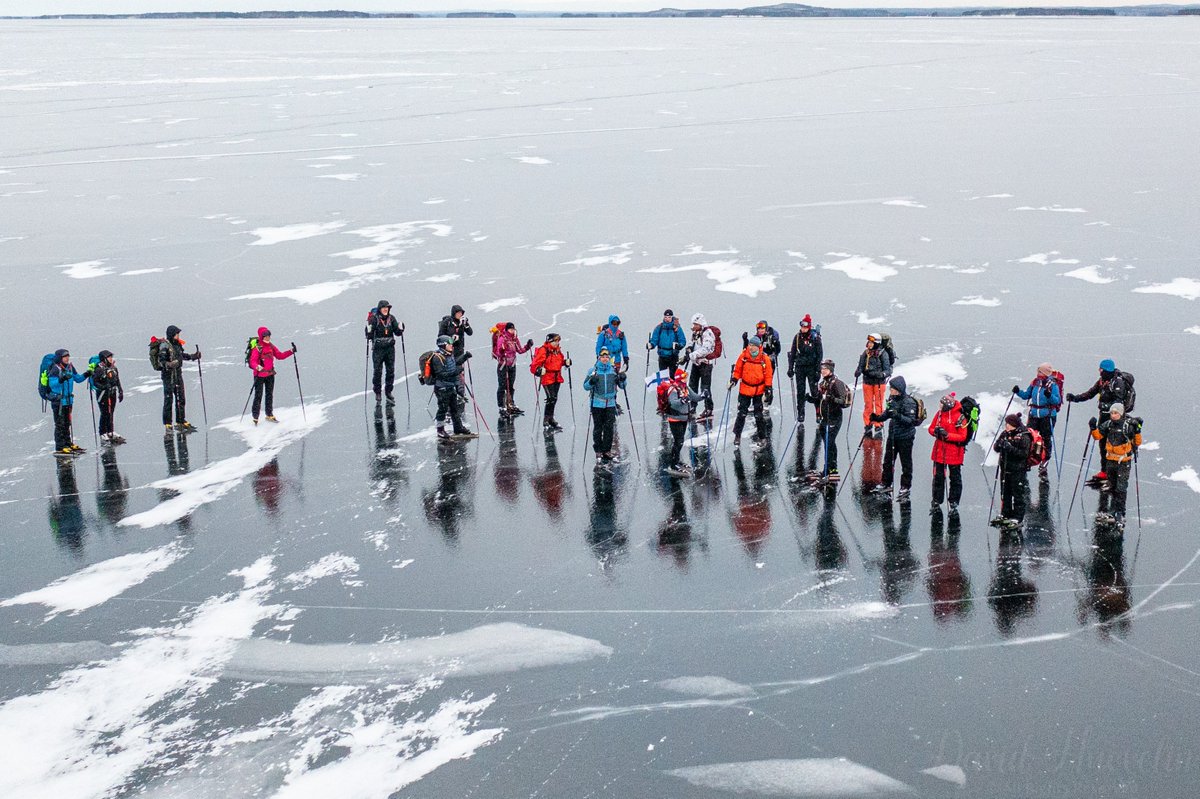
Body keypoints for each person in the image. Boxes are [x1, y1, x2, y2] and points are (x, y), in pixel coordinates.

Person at [1066, 358, 1135, 482]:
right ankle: (1105, 471)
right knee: (1102, 443)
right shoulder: (1102, 381)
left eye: (1101, 369)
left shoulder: (1117, 383)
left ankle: (1115, 472)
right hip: (1103, 416)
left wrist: (1107, 408)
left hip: (1115, 418)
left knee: (1114, 443)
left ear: (1106, 370)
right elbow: (1090, 393)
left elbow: (1118, 402)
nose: (1099, 371)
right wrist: (1075, 398)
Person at [1090, 403, 1142, 529]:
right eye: (1112, 413)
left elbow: (1137, 442)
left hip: (1123, 462)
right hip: (1110, 461)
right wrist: (1093, 428)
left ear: (1121, 413)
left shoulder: (1127, 426)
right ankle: (1113, 511)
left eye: (1116, 413)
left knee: (1121, 488)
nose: (1113, 415)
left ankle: (1120, 513)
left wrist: (1138, 430)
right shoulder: (1108, 425)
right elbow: (1098, 436)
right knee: (1112, 486)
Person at [870, 375, 919, 501]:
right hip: (893, 435)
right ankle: (886, 482)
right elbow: (888, 413)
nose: (890, 390)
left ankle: (905, 486)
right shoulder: (892, 399)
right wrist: (877, 418)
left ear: (898, 390)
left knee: (905, 463)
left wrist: (898, 416)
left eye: (892, 389)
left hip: (905, 437)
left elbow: (910, 421)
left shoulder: (909, 402)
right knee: (888, 461)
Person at [1014, 362, 1061, 482]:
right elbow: (1026, 395)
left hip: (1047, 416)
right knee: (1029, 437)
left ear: (1045, 373)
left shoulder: (1053, 385)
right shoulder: (1035, 382)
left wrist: (1049, 396)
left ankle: (1044, 463)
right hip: (1034, 415)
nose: (1038, 373)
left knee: (1046, 439)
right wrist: (1018, 392)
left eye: (1040, 371)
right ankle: (1029, 460)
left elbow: (1057, 400)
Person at [583, 348, 625, 467]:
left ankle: (607, 450)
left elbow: (622, 386)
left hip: (610, 403)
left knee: (609, 428)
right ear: (599, 358)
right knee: (598, 427)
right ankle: (598, 450)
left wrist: (623, 379)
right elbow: (585, 386)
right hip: (597, 403)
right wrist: (591, 381)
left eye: (607, 357)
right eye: (603, 357)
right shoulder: (593, 371)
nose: (605, 359)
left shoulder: (613, 371)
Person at [808, 359, 851, 475]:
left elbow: (842, 401)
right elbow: (820, 399)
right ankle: (831, 468)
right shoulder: (823, 383)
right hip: (824, 418)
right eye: (822, 369)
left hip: (834, 418)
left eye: (825, 369)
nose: (823, 371)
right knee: (828, 443)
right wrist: (811, 399)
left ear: (831, 370)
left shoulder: (836, 383)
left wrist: (832, 399)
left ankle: (829, 469)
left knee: (829, 443)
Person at [428, 335, 475, 439]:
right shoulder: (437, 358)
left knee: (454, 408)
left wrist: (465, 357)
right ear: (443, 345)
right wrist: (456, 372)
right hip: (442, 388)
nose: (451, 346)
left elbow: (454, 363)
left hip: (450, 386)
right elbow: (441, 374)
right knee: (443, 409)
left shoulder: (449, 355)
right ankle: (440, 430)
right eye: (449, 344)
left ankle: (458, 427)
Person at [928, 392, 969, 512]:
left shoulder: (960, 417)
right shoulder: (939, 414)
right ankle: (936, 499)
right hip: (939, 451)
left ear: (947, 405)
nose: (939, 405)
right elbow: (931, 428)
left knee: (955, 478)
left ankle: (954, 501)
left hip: (954, 452)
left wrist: (947, 435)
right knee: (938, 477)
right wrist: (935, 432)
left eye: (941, 404)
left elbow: (962, 436)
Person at [729, 335, 773, 447]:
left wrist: (768, 387)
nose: (751, 347)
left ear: (758, 347)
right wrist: (734, 380)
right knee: (742, 413)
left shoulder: (764, 359)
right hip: (745, 389)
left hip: (758, 390)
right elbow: (738, 370)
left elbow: (768, 374)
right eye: (750, 345)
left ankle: (762, 437)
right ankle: (737, 435)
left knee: (758, 415)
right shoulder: (744, 356)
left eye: (753, 345)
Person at [46, 349, 91, 455]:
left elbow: (77, 379)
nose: (67, 358)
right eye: (64, 357)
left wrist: (86, 374)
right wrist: (61, 379)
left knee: (67, 423)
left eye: (68, 356)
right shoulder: (55, 369)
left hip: (68, 401)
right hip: (59, 401)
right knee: (60, 424)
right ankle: (60, 447)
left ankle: (68, 443)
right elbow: (52, 384)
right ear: (59, 358)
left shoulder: (70, 367)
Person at [992, 412, 1033, 529]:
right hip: (1005, 468)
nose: (1006, 426)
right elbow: (996, 448)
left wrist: (1010, 448)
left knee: (1018, 493)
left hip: (1018, 469)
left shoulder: (1024, 436)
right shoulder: (1005, 434)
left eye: (1008, 424)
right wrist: (1000, 444)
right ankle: (1005, 513)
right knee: (1005, 492)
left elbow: (1023, 454)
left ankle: (1018, 517)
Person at [158, 325, 200, 433]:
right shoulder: (164, 345)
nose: (178, 336)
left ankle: (180, 421)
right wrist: (169, 364)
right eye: (177, 334)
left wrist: (193, 356)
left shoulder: (177, 344)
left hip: (178, 375)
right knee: (168, 400)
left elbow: (181, 356)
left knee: (181, 398)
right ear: (172, 334)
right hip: (168, 376)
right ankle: (168, 424)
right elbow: (161, 361)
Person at [248, 327, 295, 424]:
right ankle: (255, 417)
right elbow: (252, 361)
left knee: (269, 395)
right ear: (261, 336)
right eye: (265, 336)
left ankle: (269, 415)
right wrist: (257, 367)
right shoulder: (258, 347)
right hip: (259, 376)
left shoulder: (271, 346)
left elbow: (280, 356)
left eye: (268, 335)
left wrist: (291, 351)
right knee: (258, 396)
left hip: (270, 374)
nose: (268, 337)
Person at [365, 299, 404, 405]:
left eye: (387, 307)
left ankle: (388, 391)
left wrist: (401, 329)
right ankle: (378, 392)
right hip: (378, 350)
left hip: (390, 349)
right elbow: (369, 336)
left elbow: (397, 333)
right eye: (384, 308)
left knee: (390, 371)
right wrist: (368, 331)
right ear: (380, 309)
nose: (386, 309)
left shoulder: (392, 318)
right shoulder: (374, 319)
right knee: (378, 372)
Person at [662, 368, 700, 475]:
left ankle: (677, 460)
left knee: (680, 441)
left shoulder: (685, 387)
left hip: (684, 418)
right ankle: (673, 464)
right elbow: (673, 403)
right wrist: (682, 401)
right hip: (675, 419)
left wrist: (702, 396)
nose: (686, 379)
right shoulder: (673, 389)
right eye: (684, 377)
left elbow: (694, 397)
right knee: (678, 441)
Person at [492, 321, 533, 419]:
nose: (512, 331)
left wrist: (528, 346)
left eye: (513, 329)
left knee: (511, 386)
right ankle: (501, 407)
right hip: (503, 366)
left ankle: (510, 403)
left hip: (512, 365)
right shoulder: (502, 339)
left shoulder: (514, 339)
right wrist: (502, 350)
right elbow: (498, 352)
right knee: (502, 386)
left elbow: (520, 350)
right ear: (506, 330)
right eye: (510, 329)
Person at [531, 333, 571, 434]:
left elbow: (559, 362)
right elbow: (534, 365)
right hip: (547, 377)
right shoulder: (544, 350)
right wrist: (539, 370)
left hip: (556, 377)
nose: (557, 343)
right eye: (555, 341)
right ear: (550, 341)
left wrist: (566, 362)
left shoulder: (557, 350)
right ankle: (546, 420)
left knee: (554, 398)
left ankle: (550, 418)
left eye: (558, 341)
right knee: (551, 398)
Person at [855, 333, 892, 438]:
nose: (869, 344)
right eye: (869, 342)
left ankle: (878, 423)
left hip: (879, 383)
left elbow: (887, 370)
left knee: (878, 404)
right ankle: (868, 423)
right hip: (867, 382)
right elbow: (861, 366)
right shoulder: (866, 353)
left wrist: (882, 375)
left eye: (871, 342)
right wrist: (858, 371)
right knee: (868, 404)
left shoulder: (883, 354)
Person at [787, 314, 823, 422]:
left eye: (805, 327)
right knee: (800, 391)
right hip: (800, 368)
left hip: (812, 368)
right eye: (802, 326)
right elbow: (793, 353)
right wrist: (790, 368)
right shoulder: (797, 337)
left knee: (814, 391)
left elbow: (819, 355)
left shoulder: (815, 338)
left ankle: (818, 412)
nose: (803, 329)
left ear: (809, 327)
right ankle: (801, 413)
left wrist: (818, 370)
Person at [686, 313, 719, 420]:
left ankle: (708, 408)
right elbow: (691, 343)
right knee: (692, 385)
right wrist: (688, 349)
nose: (694, 326)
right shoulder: (695, 333)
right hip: (696, 363)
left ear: (700, 324)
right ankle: (692, 406)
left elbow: (705, 349)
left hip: (705, 364)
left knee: (705, 387)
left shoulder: (707, 334)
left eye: (695, 324)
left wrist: (692, 355)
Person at [91, 349, 125, 445]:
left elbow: (117, 380)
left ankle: (110, 431)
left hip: (112, 393)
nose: (111, 359)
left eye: (111, 357)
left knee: (111, 412)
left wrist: (120, 391)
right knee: (104, 412)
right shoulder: (99, 369)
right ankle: (102, 432)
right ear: (104, 359)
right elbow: (95, 382)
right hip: (103, 394)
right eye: (109, 357)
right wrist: (103, 387)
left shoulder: (113, 368)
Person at [647, 309, 686, 374]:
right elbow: (654, 339)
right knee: (663, 376)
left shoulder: (677, 328)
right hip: (662, 356)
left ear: (672, 317)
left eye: (669, 317)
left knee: (672, 376)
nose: (667, 319)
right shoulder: (659, 327)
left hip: (673, 356)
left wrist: (679, 346)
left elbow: (682, 340)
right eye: (665, 317)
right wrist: (651, 345)